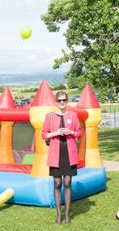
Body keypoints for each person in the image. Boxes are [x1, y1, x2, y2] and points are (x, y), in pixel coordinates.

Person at [41, 91, 82, 224]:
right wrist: (55, 133)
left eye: (64, 100)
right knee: (57, 183)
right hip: (55, 153)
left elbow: (79, 133)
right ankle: (59, 214)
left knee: (67, 183)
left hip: (69, 153)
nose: (62, 103)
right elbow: (43, 134)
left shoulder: (73, 115)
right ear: (56, 102)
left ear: (67, 100)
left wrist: (71, 132)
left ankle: (68, 214)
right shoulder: (50, 117)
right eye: (59, 100)